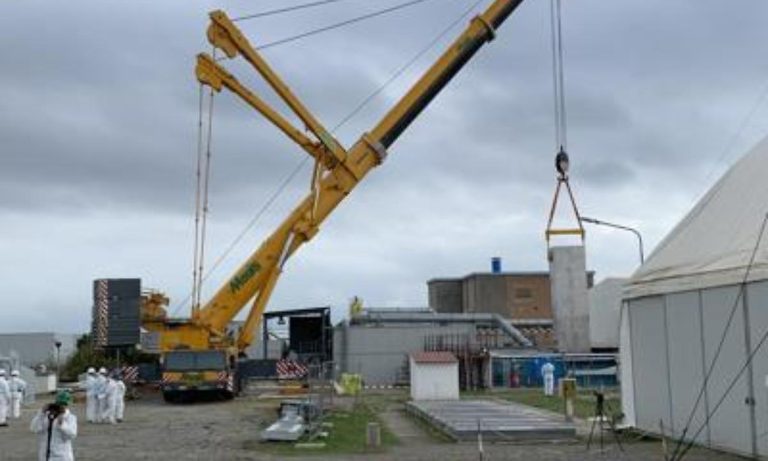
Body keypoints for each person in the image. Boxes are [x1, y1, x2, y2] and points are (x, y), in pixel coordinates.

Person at [30, 390, 78, 461]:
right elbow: (34, 428)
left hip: (62, 456)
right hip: (45, 455)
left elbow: (72, 435)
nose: (61, 407)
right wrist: (41, 413)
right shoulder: (46, 416)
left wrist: (62, 424)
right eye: (59, 404)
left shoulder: (70, 418)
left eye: (64, 404)